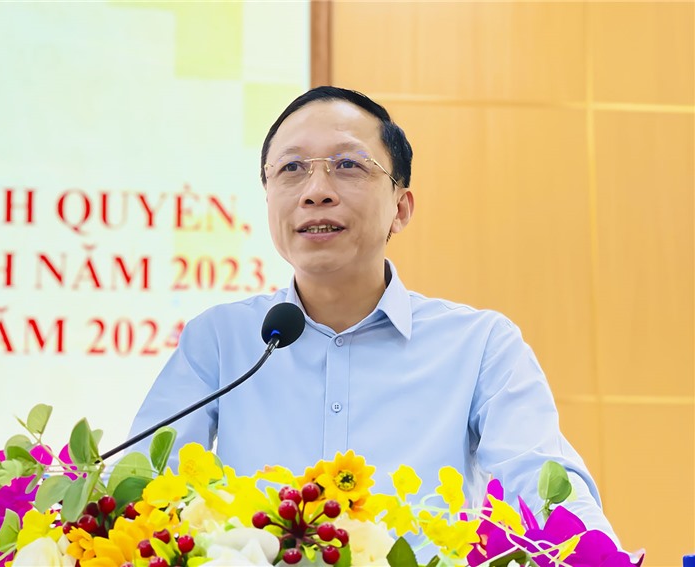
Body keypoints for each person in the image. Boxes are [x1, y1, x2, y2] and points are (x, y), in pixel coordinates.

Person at [129, 86, 619, 544]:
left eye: (348, 165)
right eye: (291, 168)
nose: (315, 191)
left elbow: (542, 484)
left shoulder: (480, 345)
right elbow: (139, 491)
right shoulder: (220, 339)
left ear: (400, 208)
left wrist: (593, 551)